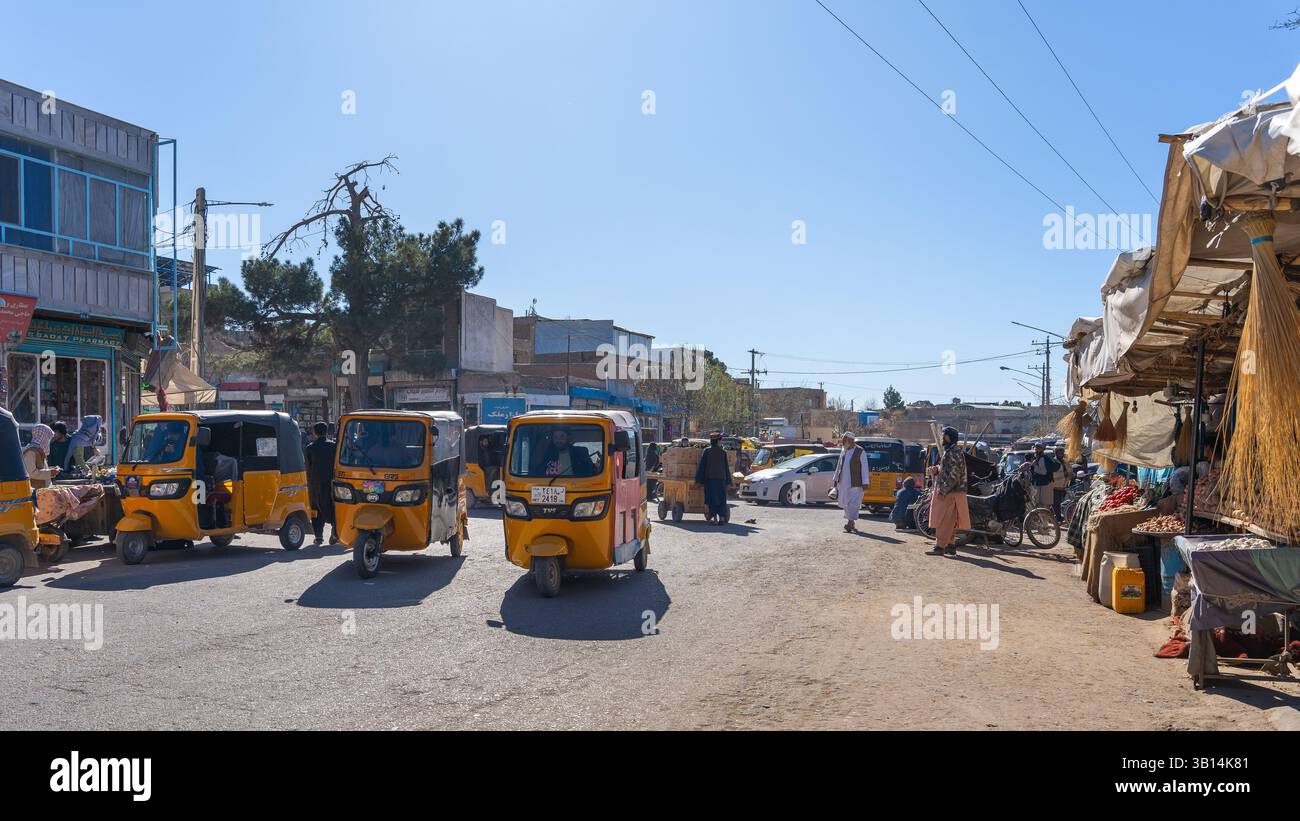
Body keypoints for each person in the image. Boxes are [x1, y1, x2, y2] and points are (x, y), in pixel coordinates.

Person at [926, 426, 970, 557]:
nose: (942, 438)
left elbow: (954, 473)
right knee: (950, 520)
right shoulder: (951, 451)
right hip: (953, 491)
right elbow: (948, 468)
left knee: (943, 520)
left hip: (951, 491)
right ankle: (950, 545)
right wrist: (937, 469)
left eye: (944, 435)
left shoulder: (954, 452)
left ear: (950, 437)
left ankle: (940, 546)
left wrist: (943, 490)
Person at [304, 421, 337, 545]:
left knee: (315, 509)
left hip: (315, 485)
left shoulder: (310, 448)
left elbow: (308, 467)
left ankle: (318, 537)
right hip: (331, 483)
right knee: (333, 507)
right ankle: (334, 532)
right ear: (326, 431)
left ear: (314, 433)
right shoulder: (334, 446)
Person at [832, 432, 870, 533]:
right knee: (845, 503)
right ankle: (851, 522)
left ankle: (850, 522)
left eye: (846, 440)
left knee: (853, 504)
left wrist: (865, 482)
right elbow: (839, 466)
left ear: (851, 440)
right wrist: (835, 479)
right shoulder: (844, 450)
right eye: (843, 440)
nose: (844, 442)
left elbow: (865, 468)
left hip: (856, 483)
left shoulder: (860, 451)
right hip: (843, 482)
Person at [694, 432, 731, 524]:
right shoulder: (723, 452)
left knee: (711, 499)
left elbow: (702, 466)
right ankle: (722, 518)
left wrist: (698, 480)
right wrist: (728, 482)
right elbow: (726, 468)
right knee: (722, 499)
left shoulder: (707, 451)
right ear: (717, 441)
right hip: (721, 479)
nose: (721, 442)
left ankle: (714, 519)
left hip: (710, 480)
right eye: (720, 440)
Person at [23, 424, 60, 489]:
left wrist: (51, 470)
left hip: (41, 489)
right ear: (44, 437)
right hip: (34, 491)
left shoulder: (39, 450)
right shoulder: (31, 452)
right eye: (48, 438)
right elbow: (30, 473)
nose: (49, 441)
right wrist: (50, 473)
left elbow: (40, 469)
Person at [1027, 443, 1059, 511]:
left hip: (1045, 484)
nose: (1036, 449)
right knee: (1039, 504)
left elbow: (1043, 472)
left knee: (1044, 505)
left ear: (1042, 449)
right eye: (1035, 448)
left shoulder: (1042, 458)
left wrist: (1035, 466)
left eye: (1037, 448)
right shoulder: (1038, 457)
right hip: (1041, 483)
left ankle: (1045, 520)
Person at [1050, 446, 1069, 520]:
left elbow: (1069, 469)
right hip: (1055, 486)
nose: (1061, 454)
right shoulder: (1054, 462)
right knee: (1056, 503)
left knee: (1060, 503)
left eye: (1062, 452)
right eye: (1059, 452)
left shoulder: (1064, 461)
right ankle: (1058, 518)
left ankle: (1056, 516)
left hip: (1063, 485)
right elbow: (1054, 473)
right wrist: (1064, 474)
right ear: (1056, 453)